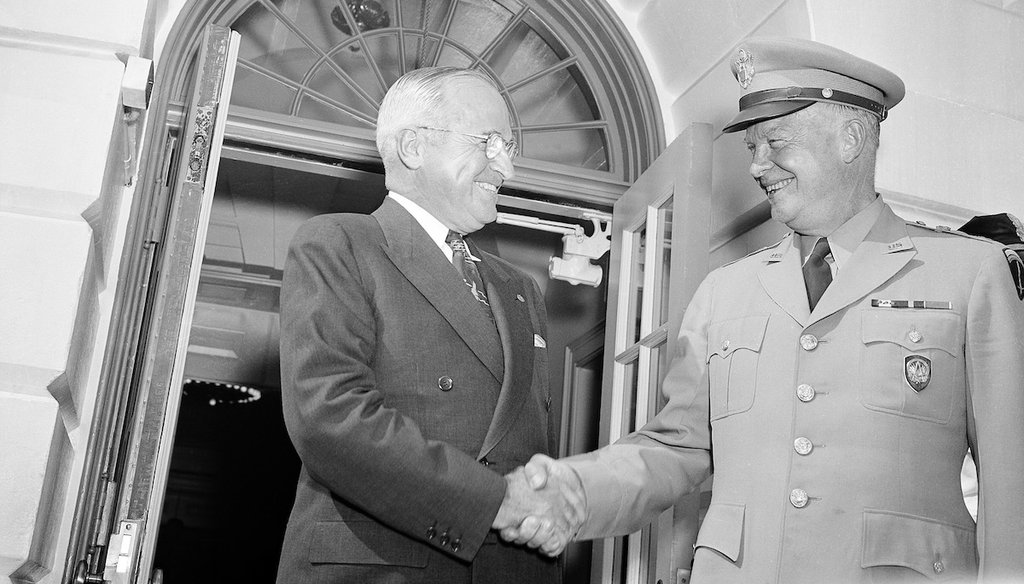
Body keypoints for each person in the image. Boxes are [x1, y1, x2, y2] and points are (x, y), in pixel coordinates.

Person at [506, 37, 1024, 582]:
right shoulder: (723, 292)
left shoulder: (969, 274)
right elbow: (676, 448)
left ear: (851, 138)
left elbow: (1012, 476)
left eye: (776, 141)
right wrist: (573, 492)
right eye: (752, 147)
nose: (757, 165)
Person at [275, 66, 582, 584]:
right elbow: (330, 420)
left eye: (508, 146)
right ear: (413, 147)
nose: (505, 167)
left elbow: (524, 447)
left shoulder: (521, 287)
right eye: (488, 142)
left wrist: (548, 511)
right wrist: (500, 504)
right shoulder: (338, 244)